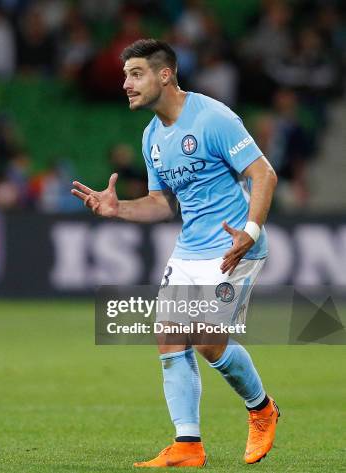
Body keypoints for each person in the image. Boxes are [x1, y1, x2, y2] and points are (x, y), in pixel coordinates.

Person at [71, 39, 279, 468]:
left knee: (204, 338)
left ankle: (261, 410)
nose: (125, 83)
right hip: (190, 247)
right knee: (169, 337)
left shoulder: (213, 117)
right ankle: (188, 444)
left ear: (164, 74)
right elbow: (163, 203)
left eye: (135, 74)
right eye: (125, 75)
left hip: (233, 246)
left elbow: (264, 173)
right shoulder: (152, 137)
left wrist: (250, 230)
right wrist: (118, 208)